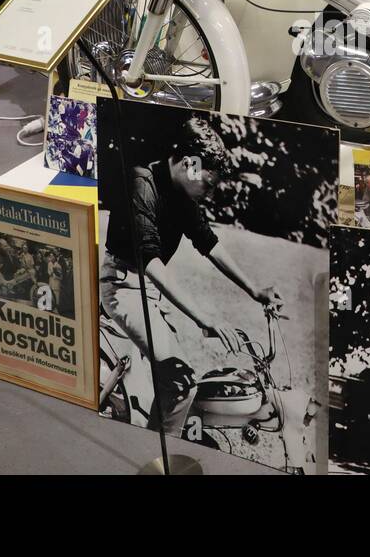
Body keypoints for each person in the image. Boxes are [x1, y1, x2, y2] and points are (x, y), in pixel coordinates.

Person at [101, 117, 282, 435]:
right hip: (123, 287)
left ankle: (154, 428)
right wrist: (204, 319)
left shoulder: (181, 194)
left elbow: (208, 242)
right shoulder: (142, 183)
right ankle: (157, 453)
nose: (210, 194)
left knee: (172, 376)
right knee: (180, 382)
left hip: (149, 293)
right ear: (189, 165)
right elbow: (152, 264)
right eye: (208, 185)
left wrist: (255, 290)